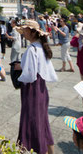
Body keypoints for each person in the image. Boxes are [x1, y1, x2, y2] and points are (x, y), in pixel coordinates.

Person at [14, 20, 58, 154]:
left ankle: (39, 149)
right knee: (43, 122)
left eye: (26, 30)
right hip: (41, 88)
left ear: (32, 32)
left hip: (32, 89)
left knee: (32, 122)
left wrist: (19, 69)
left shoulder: (32, 49)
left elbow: (29, 75)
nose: (24, 33)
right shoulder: (41, 47)